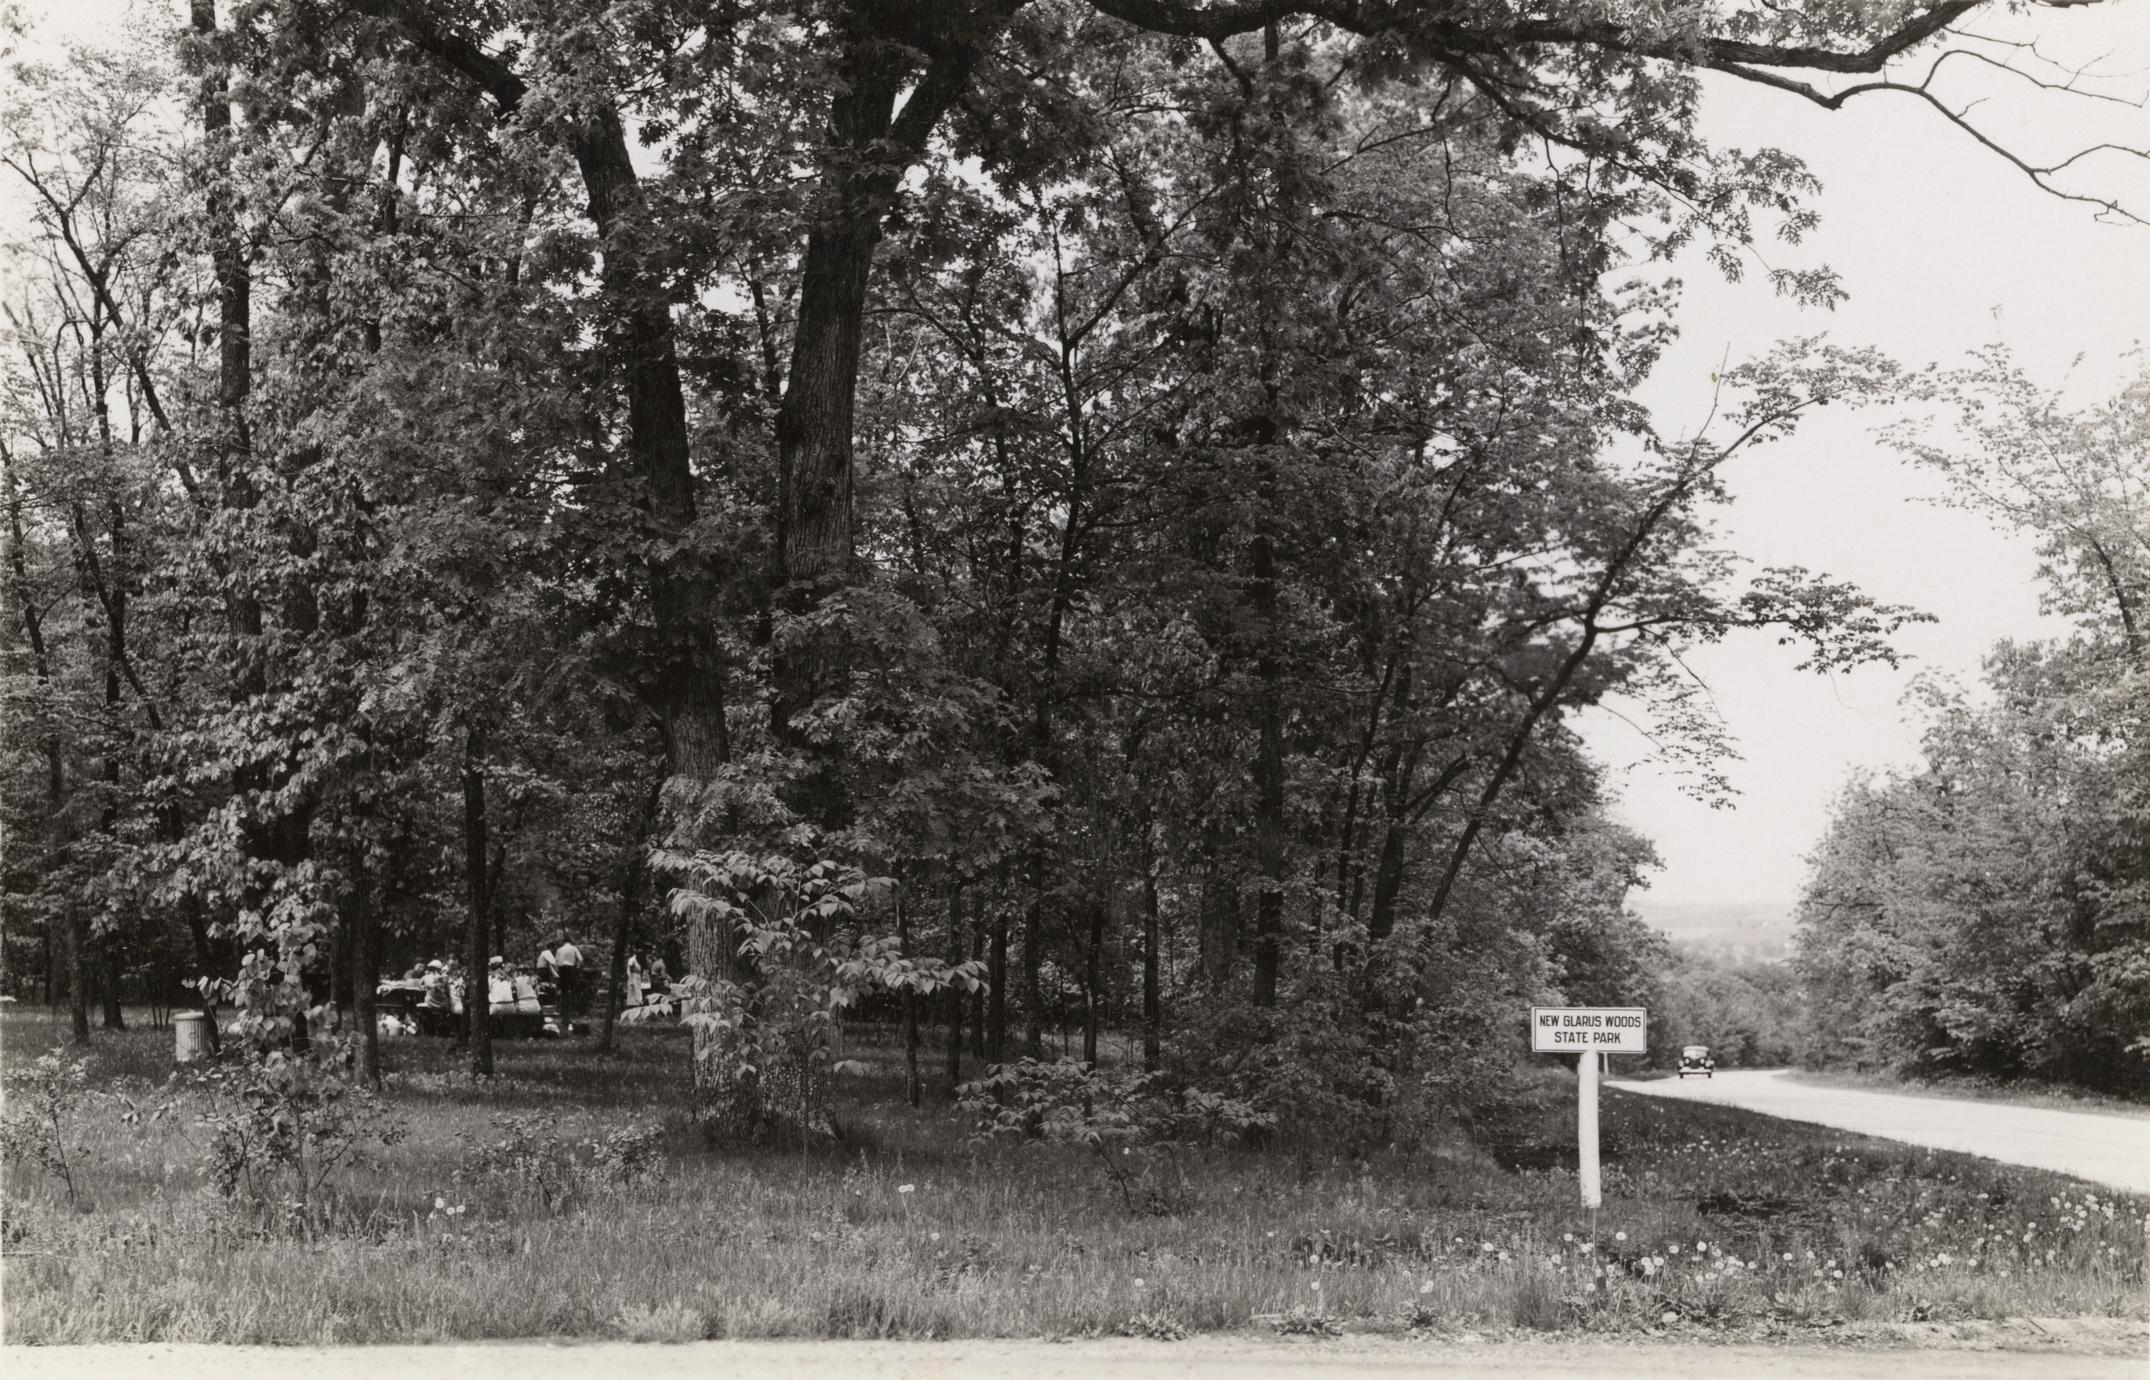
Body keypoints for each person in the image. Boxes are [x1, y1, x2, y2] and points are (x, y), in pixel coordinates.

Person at [553, 934, 583, 1028]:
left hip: (562, 971)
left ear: (563, 942)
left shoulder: (559, 949)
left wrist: (558, 972)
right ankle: (569, 1015)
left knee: (563, 992)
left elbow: (555, 962)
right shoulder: (574, 948)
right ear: (570, 941)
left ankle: (563, 1015)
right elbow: (581, 959)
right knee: (571, 992)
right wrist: (577, 968)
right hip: (571, 970)